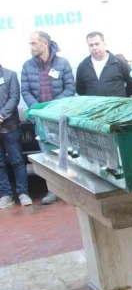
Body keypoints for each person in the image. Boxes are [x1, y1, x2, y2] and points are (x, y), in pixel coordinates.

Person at [21, 31, 75, 205]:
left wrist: (52, 108)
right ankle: (53, 191)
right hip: (40, 119)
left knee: (65, 154)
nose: (30, 47)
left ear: (44, 43)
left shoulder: (62, 63)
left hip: (59, 117)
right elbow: (25, 91)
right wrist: (38, 110)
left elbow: (70, 89)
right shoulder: (27, 66)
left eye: (33, 43)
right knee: (47, 154)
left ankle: (70, 191)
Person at [0, 64, 31, 208]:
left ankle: (23, 194)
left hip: (10, 127)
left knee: (17, 161)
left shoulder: (10, 75)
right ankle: (6, 195)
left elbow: (14, 97)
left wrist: (2, 115)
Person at [76, 31, 132, 97]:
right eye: (91, 45)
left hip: (116, 103)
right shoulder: (83, 66)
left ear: (104, 44)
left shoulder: (119, 63)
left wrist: (122, 97)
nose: (94, 48)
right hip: (94, 103)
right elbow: (79, 89)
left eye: (97, 44)